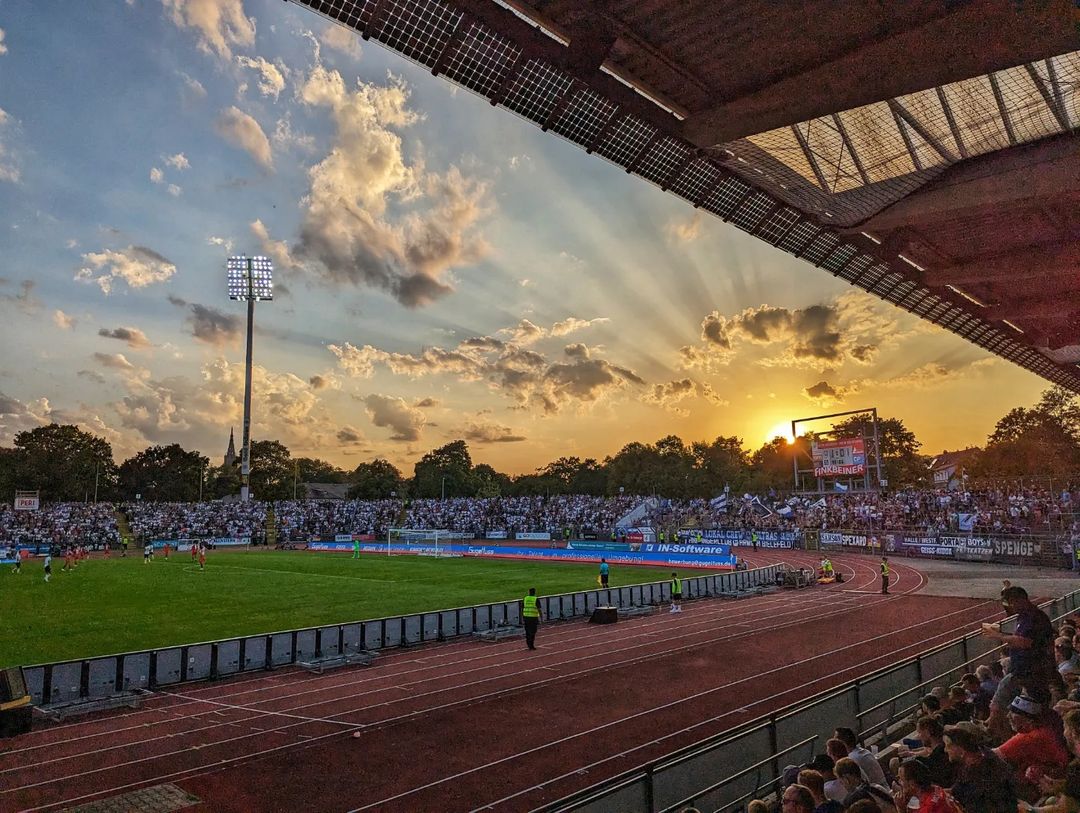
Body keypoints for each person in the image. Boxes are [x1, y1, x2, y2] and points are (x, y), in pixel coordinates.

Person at [982, 585, 1056, 736]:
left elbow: (1025, 642)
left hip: (1028, 671)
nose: (1011, 607)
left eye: (1012, 602)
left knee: (997, 705)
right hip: (1025, 671)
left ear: (1020, 600)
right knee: (1016, 708)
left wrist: (998, 636)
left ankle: (991, 733)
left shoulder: (1033, 617)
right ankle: (1002, 733)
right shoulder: (1027, 615)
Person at [943, 723, 1019, 813]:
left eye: (948, 746)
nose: (945, 750)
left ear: (961, 749)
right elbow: (957, 790)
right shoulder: (979, 758)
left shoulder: (983, 772)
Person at [891, 758, 961, 813]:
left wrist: (900, 809)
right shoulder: (935, 788)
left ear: (912, 784)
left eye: (901, 779)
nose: (899, 782)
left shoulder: (928, 808)